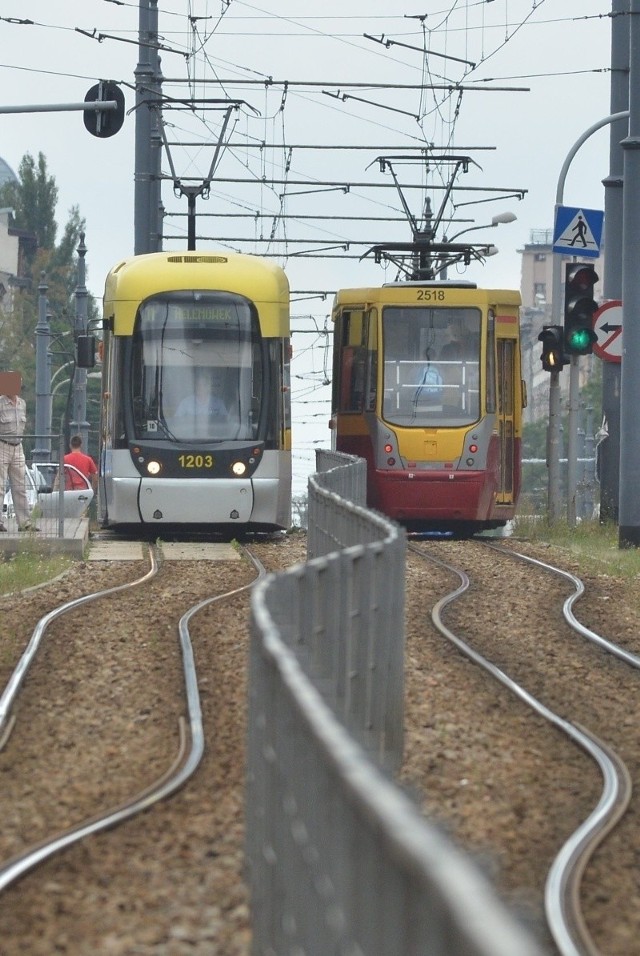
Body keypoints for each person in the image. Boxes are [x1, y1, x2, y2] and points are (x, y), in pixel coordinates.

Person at [0, 381, 38, 532]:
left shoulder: (22, 404)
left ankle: (25, 523)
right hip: (2, 444)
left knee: (20, 486)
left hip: (18, 447)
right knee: (0, 486)